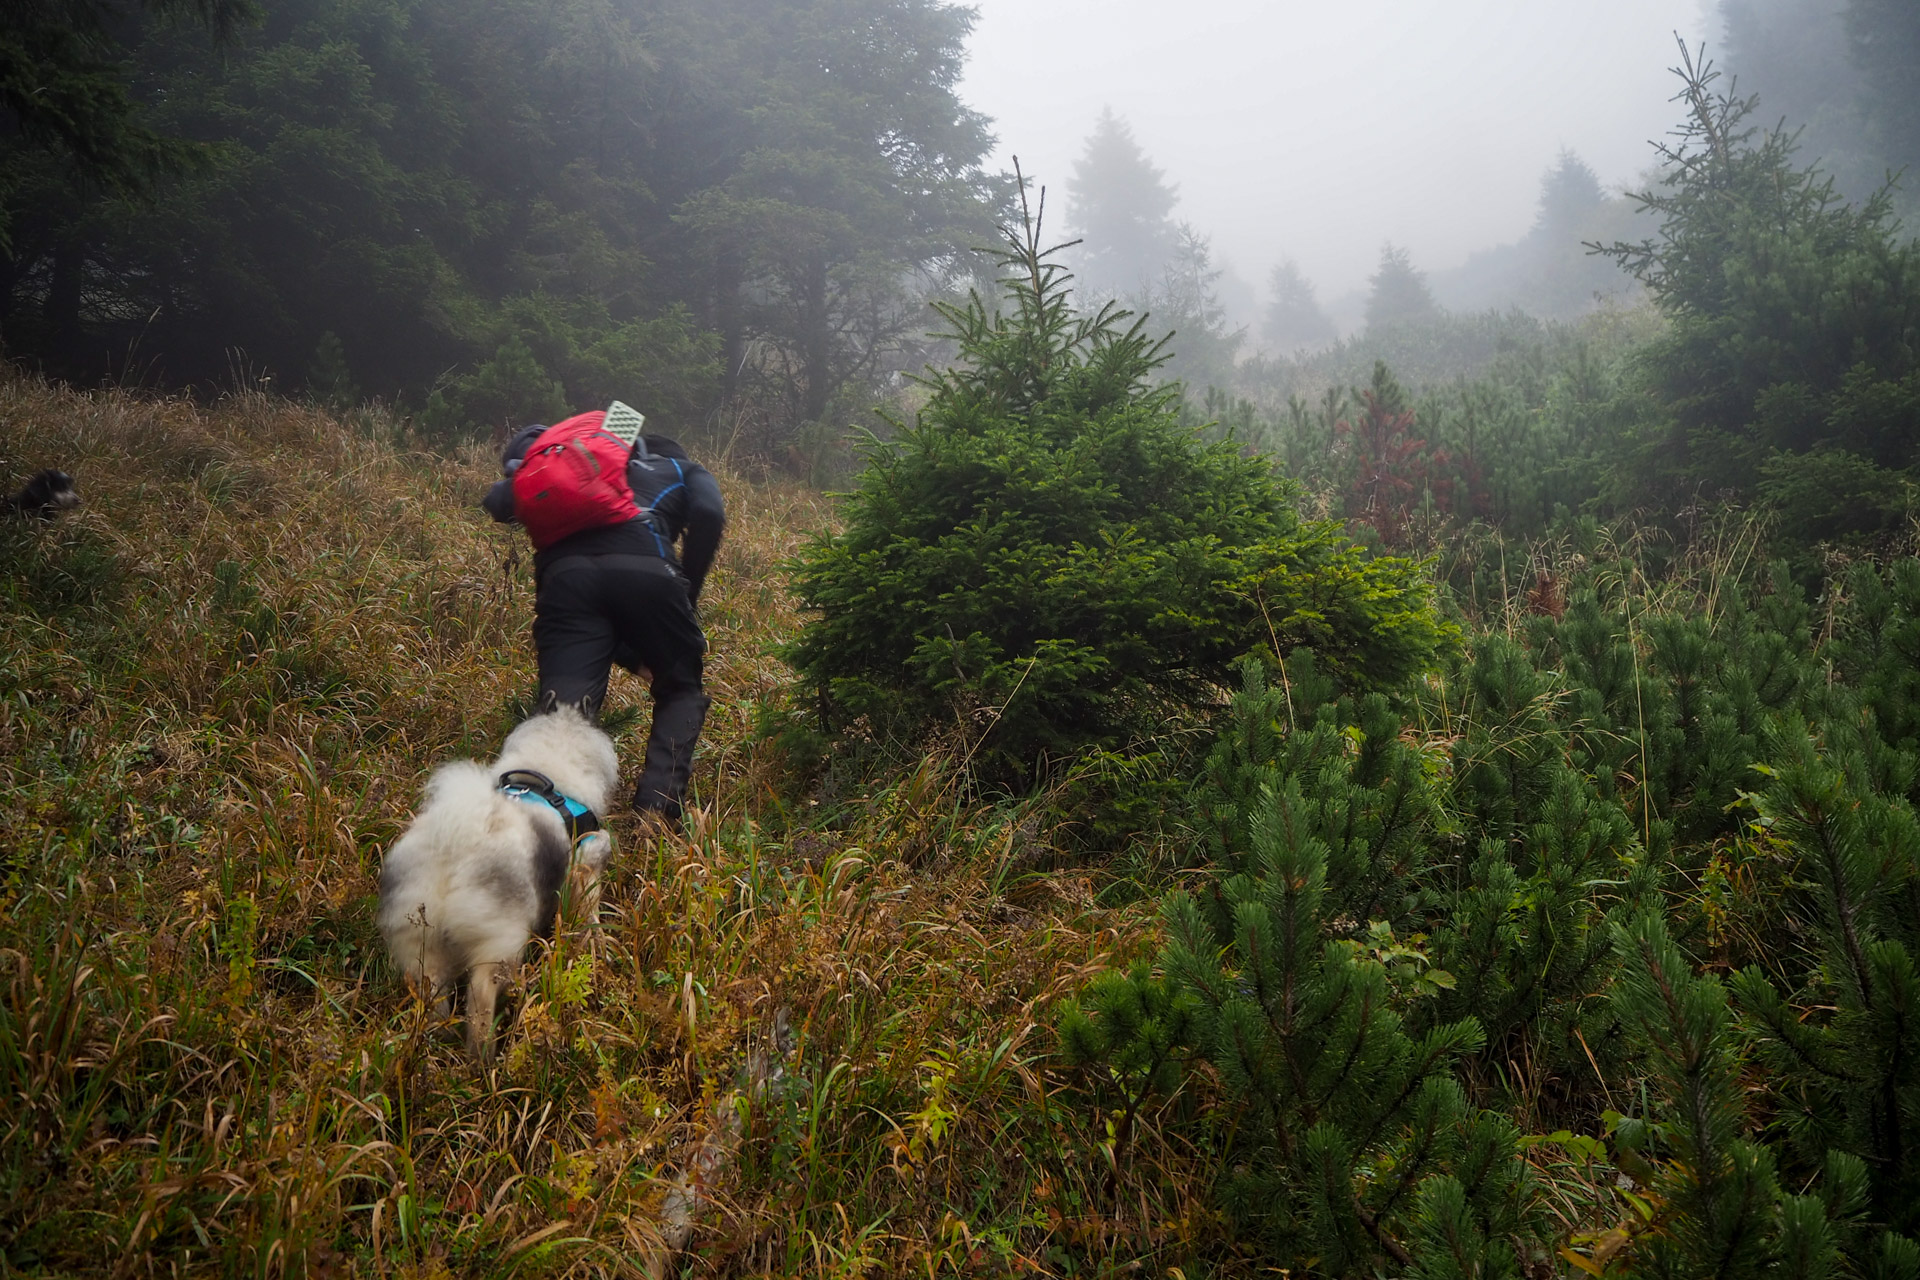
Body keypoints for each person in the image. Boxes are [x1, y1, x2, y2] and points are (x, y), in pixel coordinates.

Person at [482, 414, 725, 829]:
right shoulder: (684, 469)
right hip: (649, 569)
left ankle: (543, 820)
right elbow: (709, 513)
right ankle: (656, 817)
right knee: (680, 687)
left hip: (565, 579)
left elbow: (497, 501)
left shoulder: (589, 468)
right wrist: (687, 595)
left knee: (565, 711)